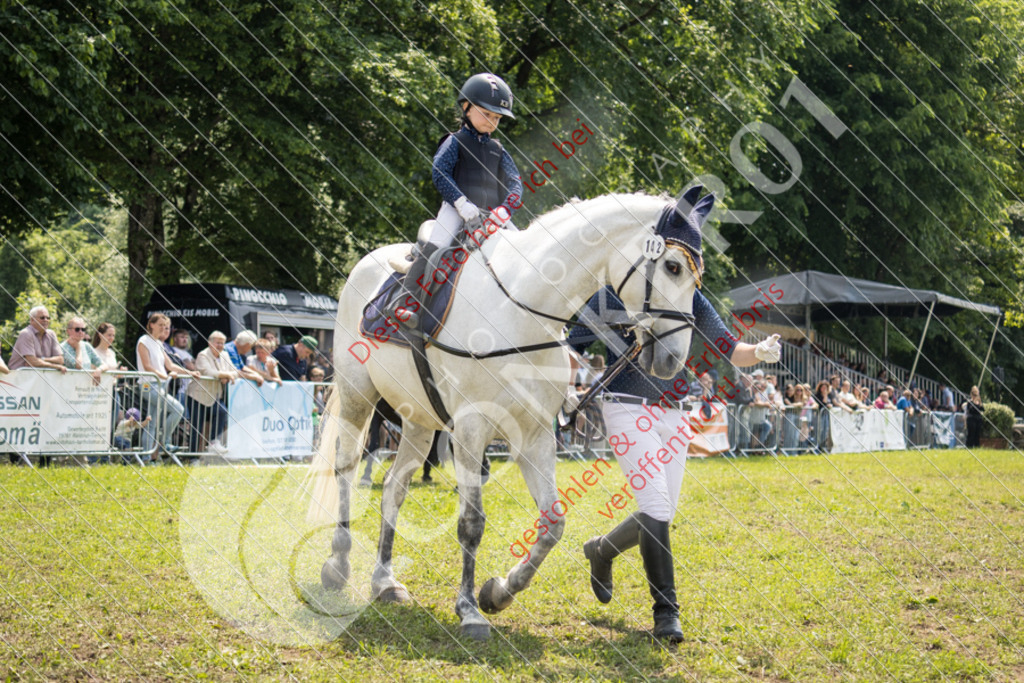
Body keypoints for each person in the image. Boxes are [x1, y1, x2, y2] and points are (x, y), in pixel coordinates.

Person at [572, 284, 782, 643]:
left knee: (662, 514)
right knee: (654, 507)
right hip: (625, 404)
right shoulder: (611, 294)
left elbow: (729, 348)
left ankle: (601, 549)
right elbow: (572, 345)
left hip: (675, 412)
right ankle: (666, 613)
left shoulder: (689, 294)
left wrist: (759, 352)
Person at [389, 73, 522, 329]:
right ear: (466, 107)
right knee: (435, 248)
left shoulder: (498, 149)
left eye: (496, 118)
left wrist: (506, 210)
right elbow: (439, 173)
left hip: (492, 216)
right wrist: (460, 202)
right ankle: (405, 303)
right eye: (486, 114)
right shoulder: (454, 141)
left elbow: (515, 183)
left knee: (524, 250)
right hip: (456, 210)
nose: (491, 122)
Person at [136, 313, 199, 457]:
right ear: (151, 325)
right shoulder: (144, 340)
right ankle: (165, 442)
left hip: (160, 385)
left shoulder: (158, 343)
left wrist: (190, 373)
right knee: (178, 409)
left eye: (165, 326)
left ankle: (146, 458)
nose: (163, 329)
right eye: (160, 325)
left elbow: (170, 365)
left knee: (151, 424)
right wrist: (164, 375)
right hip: (149, 386)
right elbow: (147, 366)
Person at [185, 331, 238, 454]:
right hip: (197, 396)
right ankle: (192, 457)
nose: (220, 345)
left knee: (221, 412)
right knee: (196, 427)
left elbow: (235, 371)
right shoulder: (203, 355)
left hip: (214, 396)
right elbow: (208, 372)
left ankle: (214, 442)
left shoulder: (224, 354)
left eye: (222, 343)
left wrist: (228, 375)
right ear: (210, 343)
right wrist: (225, 375)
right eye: (217, 343)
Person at [9, 305, 66, 373]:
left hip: (41, 376)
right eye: (42, 318)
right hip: (20, 378)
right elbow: (33, 362)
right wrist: (57, 366)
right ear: (32, 320)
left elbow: (60, 360)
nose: (46, 320)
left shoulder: (51, 334)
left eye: (48, 318)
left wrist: (41, 359)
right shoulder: (26, 333)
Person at [59, 316, 105, 384]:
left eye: (83, 329)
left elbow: (103, 364)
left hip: (84, 389)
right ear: (68, 331)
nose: (80, 332)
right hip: (68, 387)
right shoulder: (62, 348)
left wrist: (99, 370)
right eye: (77, 329)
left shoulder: (86, 346)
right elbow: (79, 366)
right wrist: (78, 348)